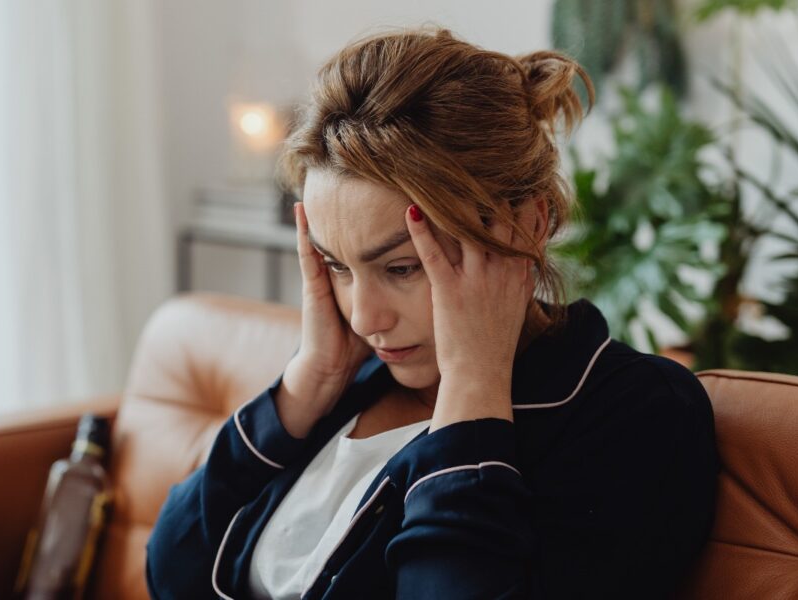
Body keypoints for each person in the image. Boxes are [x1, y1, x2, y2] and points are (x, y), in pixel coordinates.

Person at [146, 27, 719, 599]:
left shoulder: (632, 413)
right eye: (337, 266)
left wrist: (475, 388)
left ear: (529, 225)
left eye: (401, 268)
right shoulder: (351, 382)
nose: (365, 318)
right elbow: (170, 571)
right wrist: (306, 384)